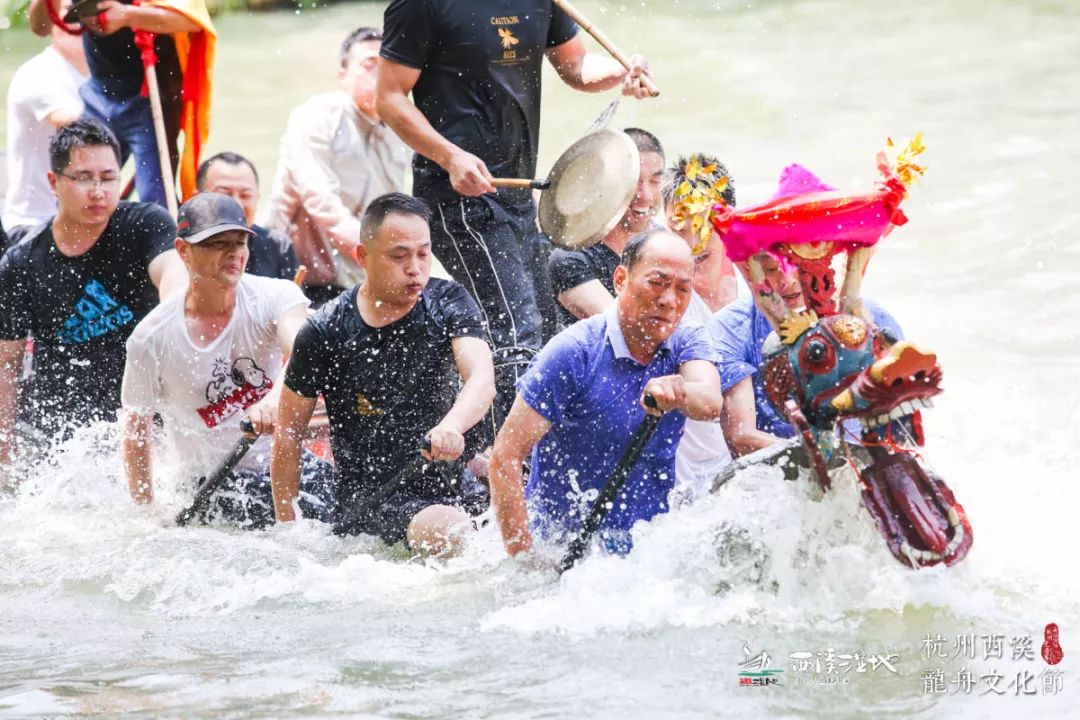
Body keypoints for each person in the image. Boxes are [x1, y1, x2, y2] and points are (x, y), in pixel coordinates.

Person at [377, 1, 656, 429]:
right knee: (516, 330)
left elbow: (576, 67)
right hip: (456, 195)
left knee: (543, 327)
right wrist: (451, 158)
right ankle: (511, 471)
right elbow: (389, 98)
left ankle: (508, 449)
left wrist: (622, 71)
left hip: (521, 193)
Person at [271, 193, 496, 557]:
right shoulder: (325, 331)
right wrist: (287, 533)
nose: (415, 269)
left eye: (423, 254)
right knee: (453, 532)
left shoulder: (448, 300)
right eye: (399, 256)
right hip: (374, 502)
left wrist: (452, 426)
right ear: (362, 257)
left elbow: (482, 379)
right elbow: (288, 436)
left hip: (454, 483)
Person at [488, 230, 725, 558]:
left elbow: (710, 403)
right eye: (657, 282)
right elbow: (505, 456)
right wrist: (525, 561)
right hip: (568, 551)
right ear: (620, 279)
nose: (669, 300)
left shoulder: (688, 339)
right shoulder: (573, 351)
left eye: (682, 289)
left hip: (647, 545)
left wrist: (679, 392)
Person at [120, 193, 332, 526]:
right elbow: (136, 431)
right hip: (209, 481)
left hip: (281, 461)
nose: (234, 253)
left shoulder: (275, 296)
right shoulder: (150, 338)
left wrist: (275, 398)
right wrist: (145, 514)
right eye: (218, 244)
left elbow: (303, 350)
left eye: (240, 242)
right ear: (182, 251)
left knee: (346, 509)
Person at [0, 119, 186, 463]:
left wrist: (175, 309)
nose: (98, 191)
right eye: (84, 178)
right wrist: (4, 453)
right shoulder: (21, 263)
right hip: (62, 439)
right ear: (54, 183)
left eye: (108, 177)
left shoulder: (145, 223)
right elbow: (6, 365)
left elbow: (172, 273)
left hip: (146, 418)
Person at [265, 27, 410, 306]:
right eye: (369, 65)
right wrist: (382, 253)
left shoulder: (399, 126)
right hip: (300, 279)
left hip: (366, 274)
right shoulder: (316, 116)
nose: (379, 73)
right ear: (343, 76)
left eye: (387, 65)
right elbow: (320, 199)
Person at [28, 0, 216, 206]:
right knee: (77, 191)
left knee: (156, 201)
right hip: (98, 96)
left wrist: (128, 15)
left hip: (150, 102)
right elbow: (41, 27)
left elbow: (193, 21)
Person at [662, 153, 741, 495]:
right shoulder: (663, 302)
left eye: (703, 221)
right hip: (687, 485)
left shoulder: (763, 284)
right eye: (678, 225)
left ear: (730, 218)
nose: (692, 241)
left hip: (750, 467)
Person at [548, 128, 665, 326]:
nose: (646, 195)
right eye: (635, 182)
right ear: (607, 183)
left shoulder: (665, 243)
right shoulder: (571, 258)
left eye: (655, 181)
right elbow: (627, 330)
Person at [3, 4, 88, 243]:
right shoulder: (39, 73)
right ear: (52, 19)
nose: (82, 17)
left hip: (83, 226)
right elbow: (85, 129)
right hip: (33, 227)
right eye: (71, 9)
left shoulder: (103, 77)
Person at [196, 152, 299, 281]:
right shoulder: (182, 249)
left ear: (257, 199)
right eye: (224, 194)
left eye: (245, 195)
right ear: (197, 199)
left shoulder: (278, 246)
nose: (236, 205)